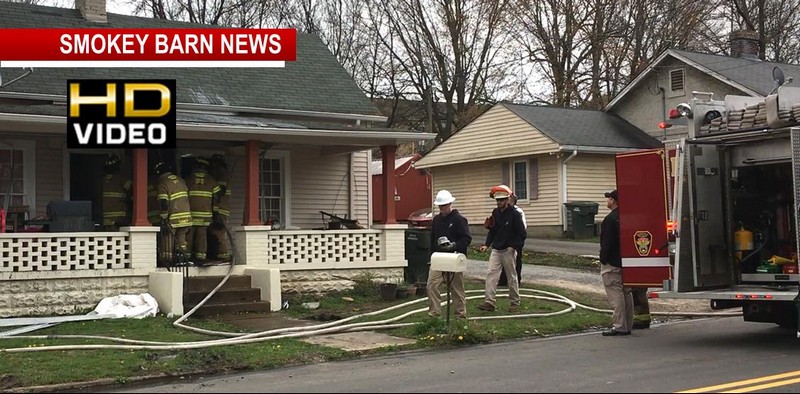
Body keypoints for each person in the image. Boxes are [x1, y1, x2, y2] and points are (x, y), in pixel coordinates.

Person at [478, 185, 527, 312]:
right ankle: (489, 302)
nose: (499, 203)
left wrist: (514, 247)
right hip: (496, 249)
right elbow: (493, 231)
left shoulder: (515, 215)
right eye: (497, 200)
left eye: (502, 200)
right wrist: (486, 244)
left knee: (511, 276)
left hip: (508, 250)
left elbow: (522, 234)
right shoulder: (495, 213)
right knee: (491, 275)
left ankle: (515, 303)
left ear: (507, 200)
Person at [426, 190, 472, 319]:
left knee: (457, 288)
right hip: (439, 257)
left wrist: (454, 245)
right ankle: (434, 313)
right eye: (440, 206)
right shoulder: (436, 220)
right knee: (432, 285)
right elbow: (432, 239)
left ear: (450, 204)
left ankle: (460, 315)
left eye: (444, 205)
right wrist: (431, 256)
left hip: (454, 257)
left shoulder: (459, 220)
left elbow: (466, 239)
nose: (442, 208)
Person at [599, 189, 633, 336]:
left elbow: (607, 243)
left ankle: (619, 325)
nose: (607, 201)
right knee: (626, 293)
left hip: (612, 263)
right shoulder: (628, 217)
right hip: (626, 262)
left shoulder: (610, 219)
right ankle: (628, 324)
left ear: (613, 201)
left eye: (609, 199)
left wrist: (603, 258)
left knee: (616, 294)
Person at [155, 161, 192, 267]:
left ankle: (167, 261)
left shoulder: (163, 183)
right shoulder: (181, 180)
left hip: (173, 218)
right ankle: (181, 259)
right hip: (186, 216)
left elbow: (163, 202)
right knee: (181, 240)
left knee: (167, 239)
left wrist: (163, 217)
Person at [186, 157, 221, 265]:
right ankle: (201, 256)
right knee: (202, 237)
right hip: (205, 215)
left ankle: (187, 256)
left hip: (191, 214)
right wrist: (215, 212)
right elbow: (217, 197)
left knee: (189, 236)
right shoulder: (211, 180)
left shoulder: (188, 179)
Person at [498, 193, 527, 287]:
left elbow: (522, 227)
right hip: (504, 240)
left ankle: (517, 280)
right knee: (503, 261)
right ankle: (503, 280)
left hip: (515, 240)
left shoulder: (518, 212)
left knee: (516, 260)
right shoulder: (502, 212)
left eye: (508, 200)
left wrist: (517, 242)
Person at [208, 154, 232, 262]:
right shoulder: (221, 172)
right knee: (215, 232)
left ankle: (223, 255)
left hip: (221, 209)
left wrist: (215, 208)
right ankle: (218, 254)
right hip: (219, 208)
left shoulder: (221, 172)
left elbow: (220, 191)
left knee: (219, 232)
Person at [101, 153, 132, 231]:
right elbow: (133, 189)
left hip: (106, 219)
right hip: (119, 218)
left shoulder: (103, 181)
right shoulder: (120, 178)